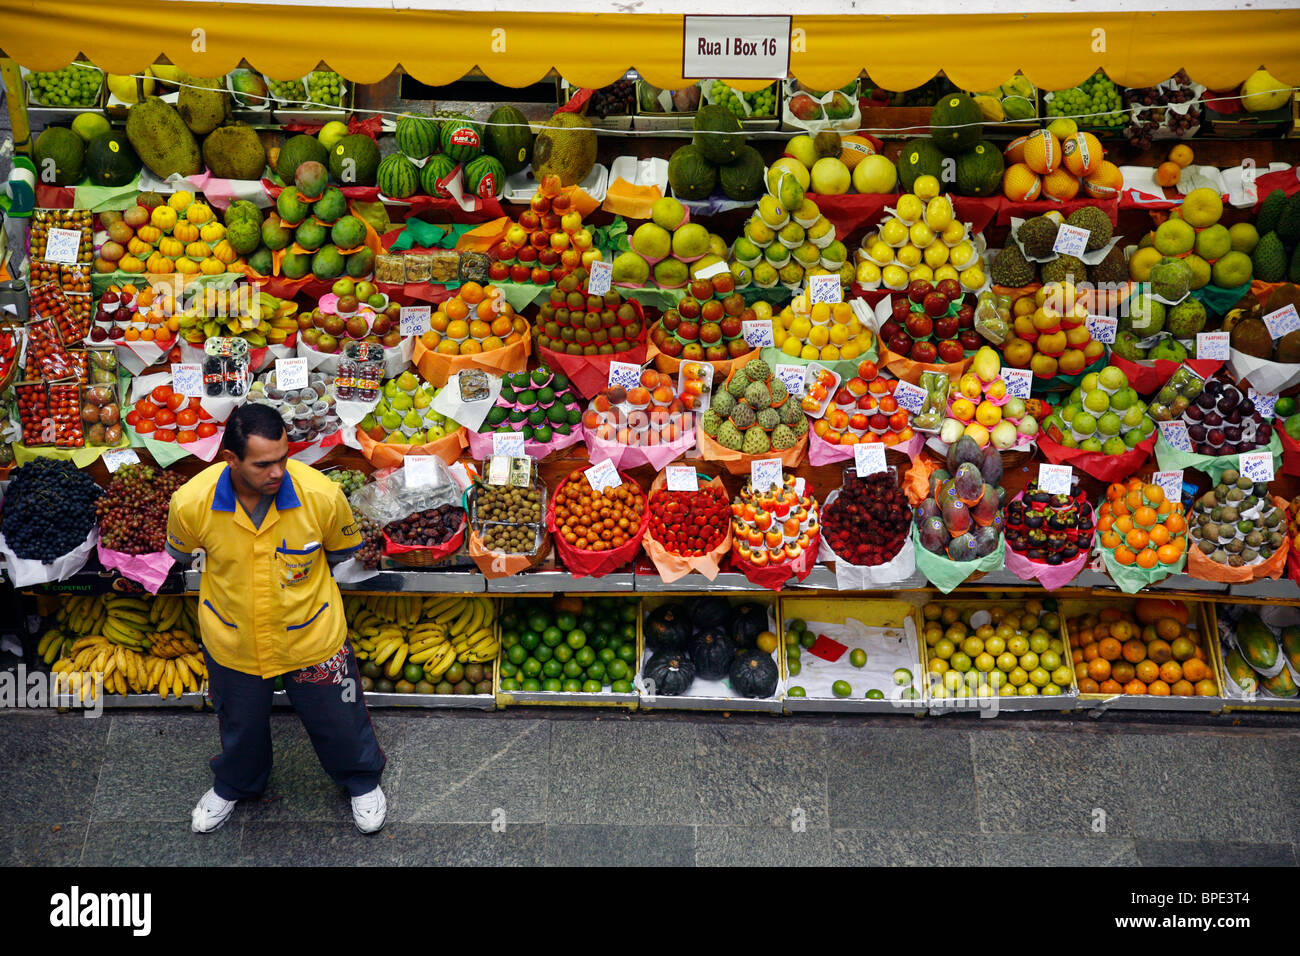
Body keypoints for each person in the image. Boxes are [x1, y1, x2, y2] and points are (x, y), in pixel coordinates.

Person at [166, 402, 387, 835]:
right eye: (263, 463)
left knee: (339, 719)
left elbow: (343, 554)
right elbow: (181, 552)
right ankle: (235, 783)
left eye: (284, 458)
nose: (278, 472)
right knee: (240, 724)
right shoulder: (192, 502)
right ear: (230, 458)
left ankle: (361, 781)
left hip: (311, 636)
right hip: (233, 637)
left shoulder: (321, 495)